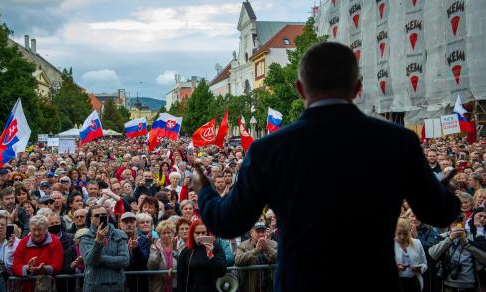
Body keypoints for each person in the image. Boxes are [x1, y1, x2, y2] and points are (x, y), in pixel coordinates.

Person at [193, 42, 461, 291]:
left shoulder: (270, 149)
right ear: (358, 87)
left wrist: (204, 188)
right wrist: (444, 189)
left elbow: (227, 222)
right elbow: (439, 213)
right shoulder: (399, 142)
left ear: (300, 89)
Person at [78, 204, 129, 292]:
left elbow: (124, 261)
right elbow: (90, 262)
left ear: (108, 216)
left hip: (117, 286)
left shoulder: (120, 234)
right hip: (94, 287)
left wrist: (100, 259)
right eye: (97, 216)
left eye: (103, 215)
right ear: (91, 219)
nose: (100, 217)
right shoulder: (85, 237)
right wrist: (97, 242)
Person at [12, 215, 64, 292]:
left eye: (40, 230)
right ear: (30, 229)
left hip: (47, 287)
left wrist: (45, 269)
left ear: (46, 229)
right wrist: (27, 268)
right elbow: (16, 265)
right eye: (34, 230)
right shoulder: (23, 242)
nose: (36, 233)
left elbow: (58, 265)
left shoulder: (55, 242)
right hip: (27, 287)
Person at [177, 220, 226, 292]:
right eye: (197, 233)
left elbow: (222, 271)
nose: (200, 236)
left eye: (203, 232)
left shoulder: (215, 247)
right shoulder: (186, 251)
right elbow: (181, 276)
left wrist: (211, 256)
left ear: (207, 233)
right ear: (192, 234)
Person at [235, 222, 278, 292]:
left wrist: (267, 249)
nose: (261, 234)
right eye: (257, 232)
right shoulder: (243, 245)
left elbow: (280, 259)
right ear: (251, 233)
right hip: (250, 287)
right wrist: (255, 251)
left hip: (269, 287)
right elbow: (237, 260)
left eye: (263, 232)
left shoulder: (274, 244)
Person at [394, 218, 427, 292]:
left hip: (414, 283)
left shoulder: (417, 243)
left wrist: (418, 268)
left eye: (405, 234)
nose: (402, 237)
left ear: (409, 231)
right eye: (399, 233)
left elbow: (424, 264)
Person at [147, 220, 178, 292]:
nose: (166, 235)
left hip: (175, 284)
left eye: (168, 232)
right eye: (163, 233)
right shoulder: (154, 246)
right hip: (159, 284)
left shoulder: (178, 245)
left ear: (173, 233)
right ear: (159, 235)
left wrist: (175, 250)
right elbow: (151, 266)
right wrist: (158, 253)